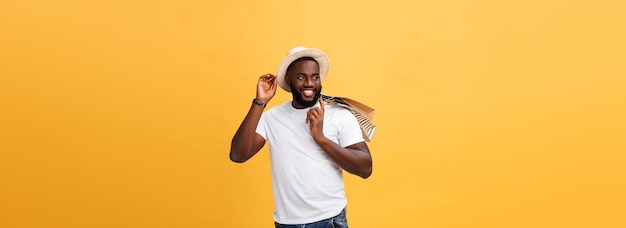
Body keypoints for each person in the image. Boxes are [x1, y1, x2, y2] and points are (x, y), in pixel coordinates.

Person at [230, 46, 373, 228]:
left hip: (329, 220)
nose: (309, 83)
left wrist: (320, 138)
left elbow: (365, 168)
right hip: (287, 223)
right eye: (301, 77)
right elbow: (238, 154)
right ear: (288, 81)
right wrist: (260, 102)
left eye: (315, 76)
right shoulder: (272, 117)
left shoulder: (339, 114)